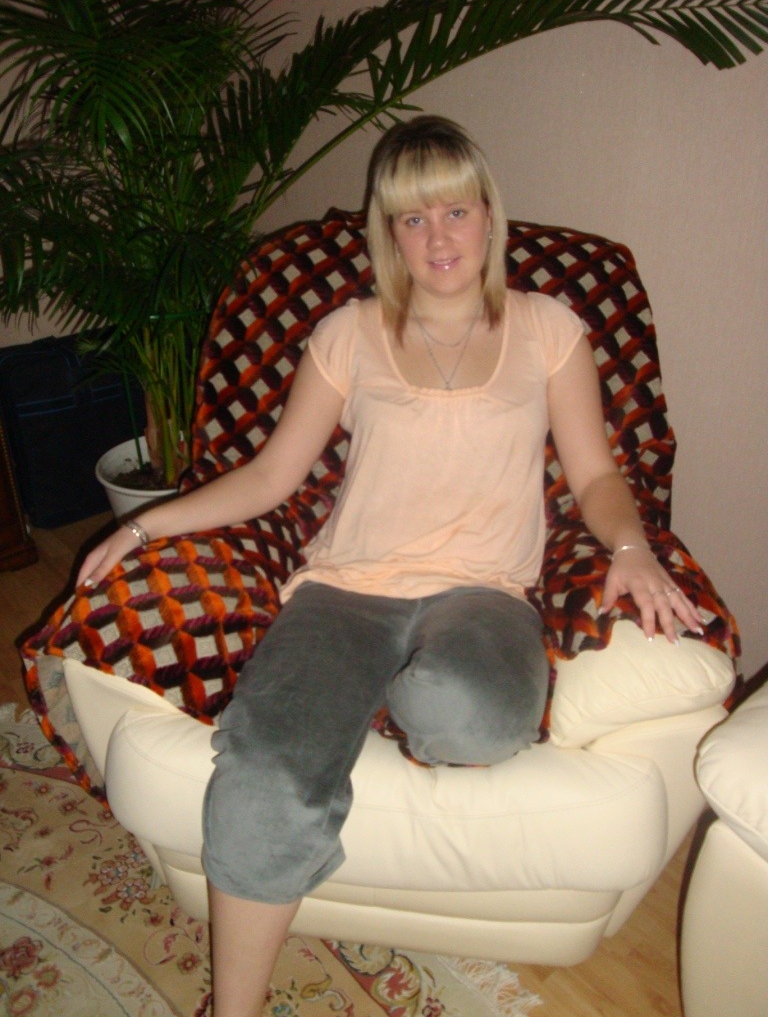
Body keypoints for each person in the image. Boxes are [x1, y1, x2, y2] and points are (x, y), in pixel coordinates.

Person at [78, 115, 705, 1017]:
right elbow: (269, 477)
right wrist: (144, 528)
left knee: (470, 716)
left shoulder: (548, 328)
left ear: (489, 217)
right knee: (263, 774)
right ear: (388, 233)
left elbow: (598, 474)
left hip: (484, 595)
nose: (437, 237)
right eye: (413, 218)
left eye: (455, 211)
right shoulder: (348, 333)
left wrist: (632, 549)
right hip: (345, 592)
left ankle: (382, 704)